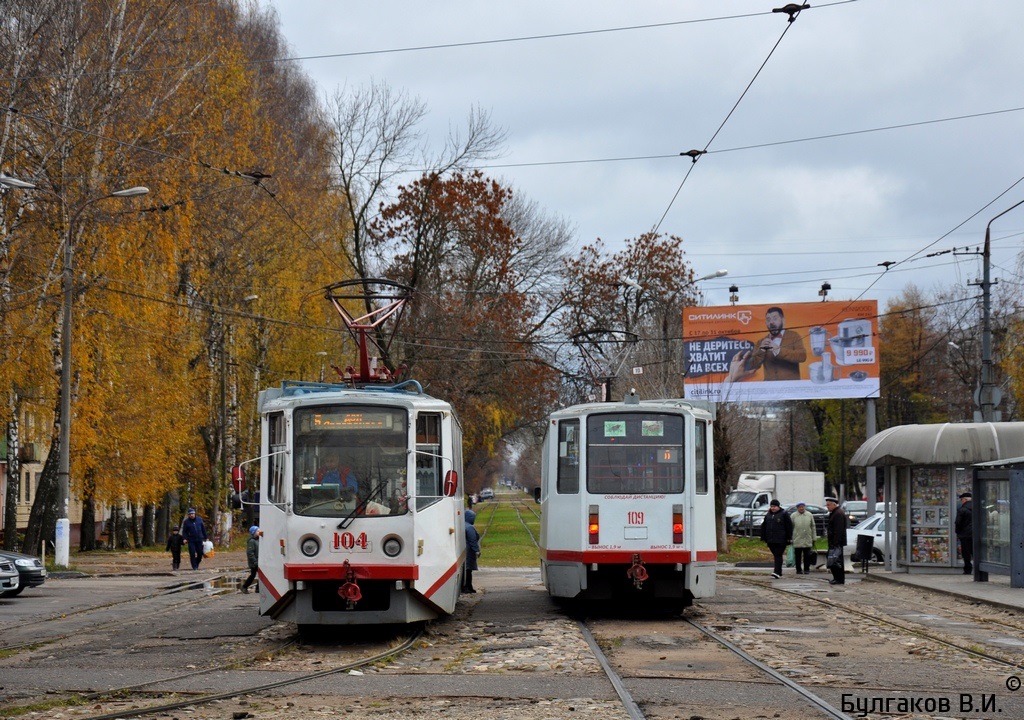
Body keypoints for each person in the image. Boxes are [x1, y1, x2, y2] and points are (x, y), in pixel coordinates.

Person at [745, 306, 807, 381]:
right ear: (766, 323)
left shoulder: (794, 336)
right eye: (768, 320)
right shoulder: (760, 342)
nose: (771, 322)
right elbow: (752, 365)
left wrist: (778, 350)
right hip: (769, 389)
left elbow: (802, 356)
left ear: (783, 320)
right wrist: (761, 351)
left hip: (791, 388)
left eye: (775, 318)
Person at [759, 498, 793, 578]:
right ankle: (779, 572)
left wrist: (789, 537)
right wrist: (763, 537)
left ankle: (776, 572)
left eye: (774, 506)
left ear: (778, 506)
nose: (773, 508)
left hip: (781, 539)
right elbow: (764, 526)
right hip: (771, 540)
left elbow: (789, 526)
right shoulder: (768, 515)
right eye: (771, 506)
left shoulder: (784, 514)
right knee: (776, 555)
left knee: (778, 555)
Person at [825, 497, 847, 585]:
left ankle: (839, 578)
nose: (827, 507)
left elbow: (838, 530)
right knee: (833, 560)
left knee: (836, 561)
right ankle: (836, 578)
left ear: (834, 504)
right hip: (834, 542)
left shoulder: (838, 514)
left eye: (829, 505)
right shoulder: (834, 513)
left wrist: (835, 543)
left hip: (836, 543)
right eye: (827, 505)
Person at [791, 501, 817, 575]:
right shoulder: (793, 516)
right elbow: (790, 527)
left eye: (803, 507)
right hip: (797, 538)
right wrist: (790, 538)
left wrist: (814, 537)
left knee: (807, 555)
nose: (801, 508)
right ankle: (798, 569)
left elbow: (813, 526)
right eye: (800, 507)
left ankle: (806, 569)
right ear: (797, 508)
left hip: (807, 538)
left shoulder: (809, 515)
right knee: (798, 556)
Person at [954, 491, 973, 575]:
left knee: (966, 553)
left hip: (965, 534)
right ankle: (978, 570)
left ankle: (968, 569)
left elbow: (958, 523)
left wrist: (958, 532)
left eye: (961, 499)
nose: (961, 501)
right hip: (976, 534)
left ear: (965, 499)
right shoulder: (978, 508)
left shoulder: (962, 510)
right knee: (975, 551)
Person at [463, 508, 480, 593]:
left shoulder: (462, 525)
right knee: (468, 569)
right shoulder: (469, 527)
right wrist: (477, 550)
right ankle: (467, 586)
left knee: (467, 569)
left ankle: (468, 586)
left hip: (464, 550)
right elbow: (472, 540)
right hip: (469, 551)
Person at [241, 525, 262, 593]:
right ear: (254, 532)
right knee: (254, 575)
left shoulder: (258, 540)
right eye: (257, 531)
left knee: (259, 575)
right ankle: (245, 587)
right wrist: (255, 561)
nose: (259, 532)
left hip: (258, 561)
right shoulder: (252, 541)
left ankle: (257, 588)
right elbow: (250, 553)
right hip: (254, 562)